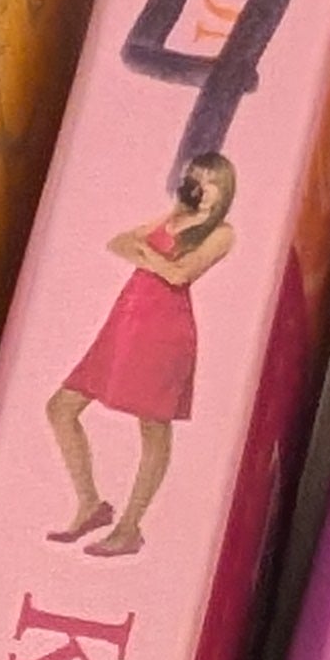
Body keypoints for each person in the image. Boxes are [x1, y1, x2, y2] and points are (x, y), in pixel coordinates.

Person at [47, 152, 238, 556]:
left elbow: (180, 273)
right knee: (61, 408)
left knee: (153, 427)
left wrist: (146, 253)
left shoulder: (222, 232)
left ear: (225, 190)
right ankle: (90, 504)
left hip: (165, 332)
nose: (203, 187)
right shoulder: (174, 216)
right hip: (125, 323)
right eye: (197, 177)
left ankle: (129, 526)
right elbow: (117, 242)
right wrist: (156, 251)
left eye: (212, 181)